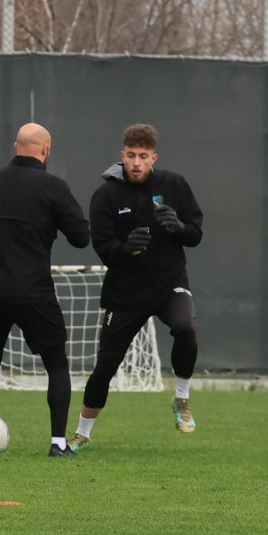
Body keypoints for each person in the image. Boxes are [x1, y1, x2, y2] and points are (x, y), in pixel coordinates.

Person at [0, 122, 92, 457]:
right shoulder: (53, 187)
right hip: (33, 291)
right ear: (46, 150)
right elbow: (81, 238)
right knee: (56, 363)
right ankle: (57, 444)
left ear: (15, 146)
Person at [71, 124, 204, 449]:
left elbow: (196, 233)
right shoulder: (106, 195)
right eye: (131, 155)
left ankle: (181, 400)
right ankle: (82, 433)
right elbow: (103, 249)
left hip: (168, 284)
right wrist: (126, 248)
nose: (136, 162)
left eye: (143, 156)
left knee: (186, 328)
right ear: (122, 155)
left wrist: (179, 228)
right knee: (105, 366)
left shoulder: (174, 184)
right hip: (126, 293)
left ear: (153, 158)